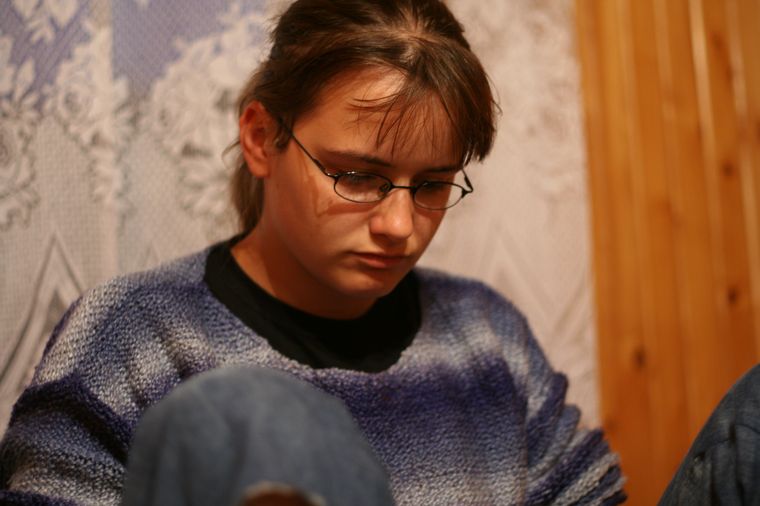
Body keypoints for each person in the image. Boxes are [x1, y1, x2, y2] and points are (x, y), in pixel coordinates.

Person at [0, 0, 626, 504]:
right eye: (357, 176)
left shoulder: (487, 336)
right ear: (261, 138)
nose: (400, 226)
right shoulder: (131, 340)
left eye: (433, 185)